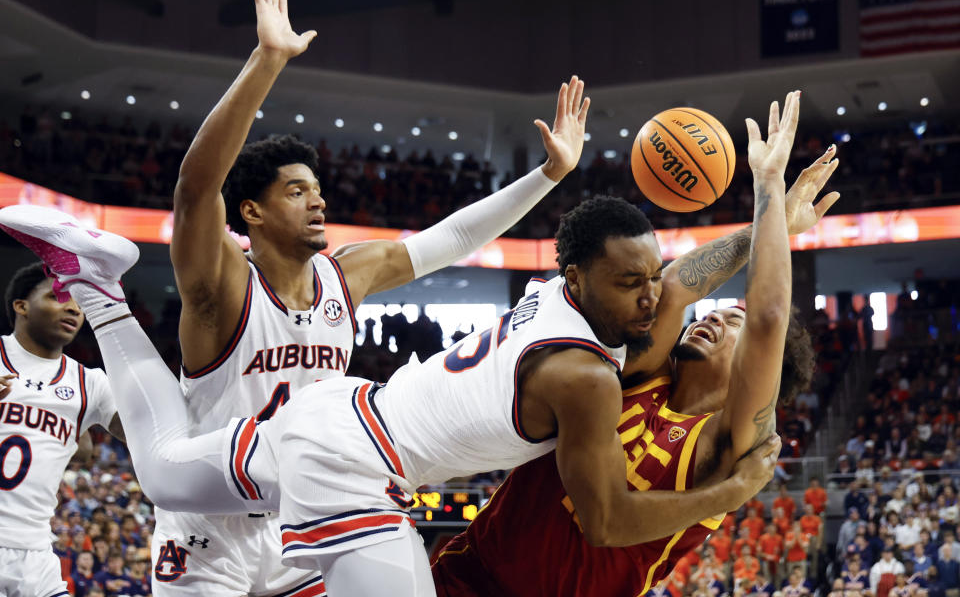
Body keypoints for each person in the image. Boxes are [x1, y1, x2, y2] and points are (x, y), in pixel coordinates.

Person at [0, 171, 785, 596]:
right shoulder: (585, 377)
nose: (654, 298)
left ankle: (99, 286)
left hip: (340, 413)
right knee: (171, 479)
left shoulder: (561, 295)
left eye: (652, 283)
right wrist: (732, 492)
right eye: (633, 286)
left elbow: (679, 278)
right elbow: (609, 522)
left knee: (167, 474)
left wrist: (776, 223)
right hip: (356, 469)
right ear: (581, 281)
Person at [160, 0, 596, 596]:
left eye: (317, 190)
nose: (317, 202)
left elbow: (449, 241)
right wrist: (267, 60)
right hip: (210, 528)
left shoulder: (348, 274)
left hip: (303, 517)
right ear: (250, 213)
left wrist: (548, 176)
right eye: (294, 191)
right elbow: (196, 189)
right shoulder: (222, 287)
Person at [430, 92, 839, 596]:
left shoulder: (731, 445)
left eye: (733, 322)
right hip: (464, 576)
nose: (712, 317)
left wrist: (770, 184)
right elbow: (678, 287)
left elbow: (770, 318)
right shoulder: (640, 369)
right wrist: (767, 228)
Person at [0, 262, 123, 597]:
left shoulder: (89, 382)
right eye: (58, 297)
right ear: (21, 306)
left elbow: (151, 434)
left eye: (80, 303)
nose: (73, 307)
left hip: (36, 552)